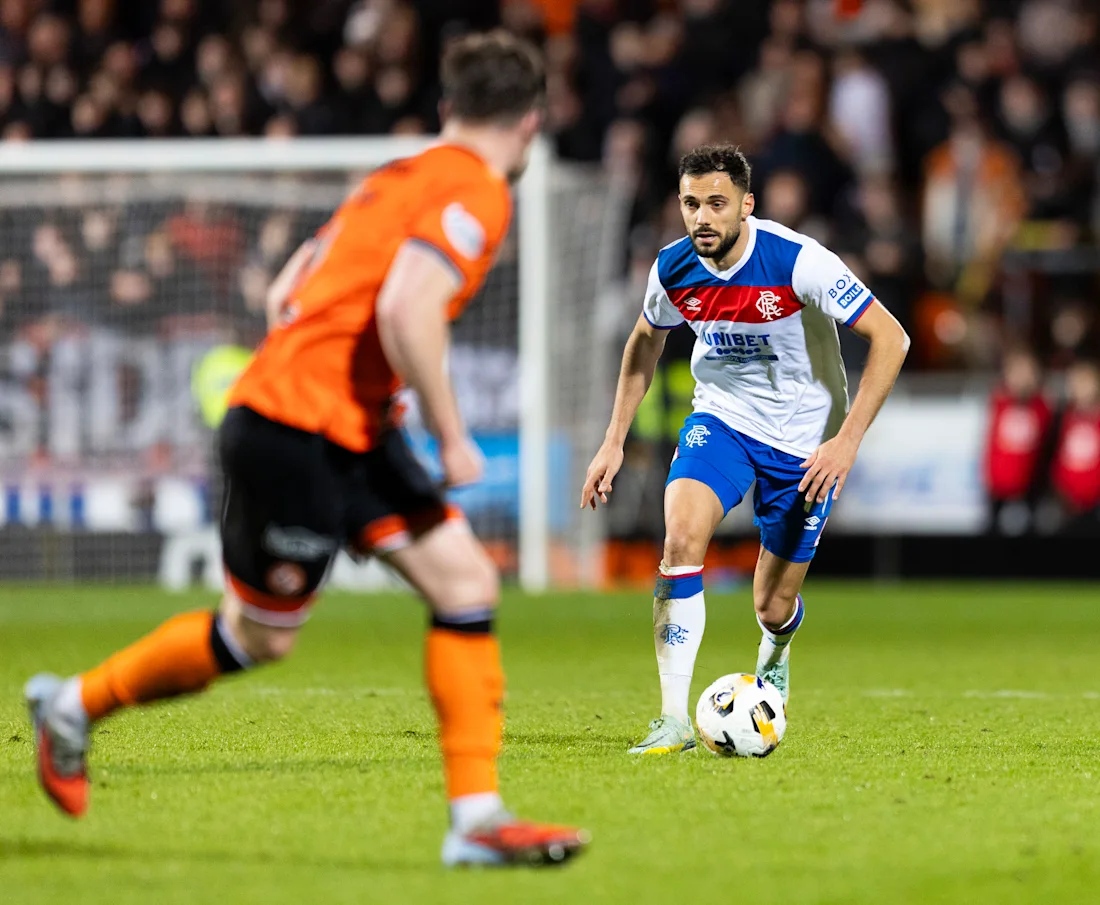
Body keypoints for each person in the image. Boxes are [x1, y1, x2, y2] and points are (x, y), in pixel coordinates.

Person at [25, 31, 589, 868]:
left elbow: (287, 288)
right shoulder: (477, 188)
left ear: (448, 107)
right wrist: (451, 434)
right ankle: (72, 706)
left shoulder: (397, 176)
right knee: (260, 638)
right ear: (531, 122)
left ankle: (476, 819)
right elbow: (406, 309)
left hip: (345, 426)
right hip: (294, 430)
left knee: (465, 581)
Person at [580, 144, 909, 755]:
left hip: (806, 442)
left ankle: (775, 653)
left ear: (746, 205)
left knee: (772, 602)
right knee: (680, 539)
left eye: (716, 203)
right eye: (690, 204)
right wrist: (613, 440)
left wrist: (846, 442)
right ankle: (673, 720)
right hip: (723, 419)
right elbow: (645, 342)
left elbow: (892, 338)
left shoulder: (797, 261)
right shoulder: (673, 268)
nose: (701, 217)